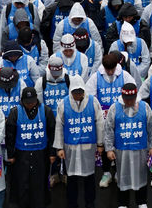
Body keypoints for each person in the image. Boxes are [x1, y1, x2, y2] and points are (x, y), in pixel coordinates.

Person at [103, 78, 152, 208]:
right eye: (126, 99)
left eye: (131, 99)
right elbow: (108, 129)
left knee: (141, 175)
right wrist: (109, 149)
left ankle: (142, 202)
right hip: (122, 149)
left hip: (140, 148)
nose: (129, 102)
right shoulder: (114, 108)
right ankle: (123, 203)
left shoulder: (144, 107)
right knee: (123, 176)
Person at [53, 75, 104, 208]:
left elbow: (100, 123)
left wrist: (100, 143)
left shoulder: (93, 101)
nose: (78, 95)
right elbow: (59, 126)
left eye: (80, 92)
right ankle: (72, 204)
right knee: (72, 178)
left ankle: (90, 203)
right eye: (75, 92)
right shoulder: (63, 103)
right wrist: (59, 148)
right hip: (71, 148)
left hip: (88, 147)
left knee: (89, 177)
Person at [5, 85, 56, 208]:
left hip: (41, 153)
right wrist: (11, 154)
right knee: (22, 182)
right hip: (21, 154)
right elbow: (10, 134)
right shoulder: (15, 112)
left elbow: (52, 133)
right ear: (22, 101)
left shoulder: (46, 111)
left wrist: (52, 153)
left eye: (32, 102)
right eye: (27, 103)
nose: (30, 105)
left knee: (39, 182)